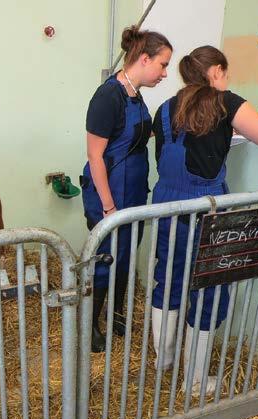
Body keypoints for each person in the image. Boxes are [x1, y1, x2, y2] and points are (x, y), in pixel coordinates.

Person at [150, 46, 258, 392]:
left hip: (165, 204)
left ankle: (163, 362)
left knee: (169, 280)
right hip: (206, 206)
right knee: (211, 286)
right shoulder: (226, 103)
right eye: (226, 73)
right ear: (217, 72)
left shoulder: (165, 108)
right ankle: (194, 380)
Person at [81, 26, 173, 353]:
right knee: (104, 259)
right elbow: (95, 156)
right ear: (144, 58)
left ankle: (115, 312)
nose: (165, 73)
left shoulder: (135, 93)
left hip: (133, 193)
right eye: (162, 64)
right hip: (109, 197)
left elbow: (130, 138)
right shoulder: (108, 96)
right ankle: (89, 323)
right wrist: (107, 208)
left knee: (126, 255)